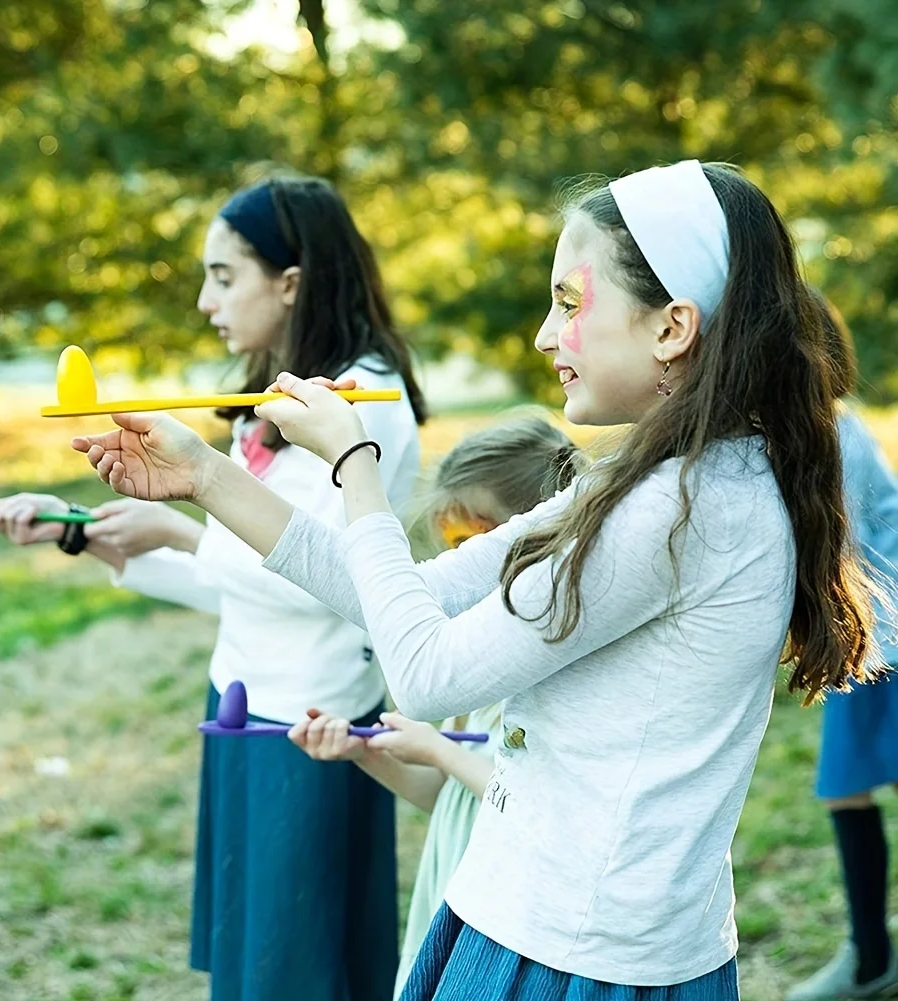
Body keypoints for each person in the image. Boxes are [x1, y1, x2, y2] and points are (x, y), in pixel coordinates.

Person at [71, 160, 879, 1001]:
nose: (544, 333)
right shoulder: (666, 481)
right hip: (545, 916)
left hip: (577, 954)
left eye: (569, 302)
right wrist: (205, 476)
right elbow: (409, 590)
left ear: (671, 326)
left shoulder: (681, 509)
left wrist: (354, 465)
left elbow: (425, 674)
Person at [0, 176, 427, 1001]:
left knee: (297, 976)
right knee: (254, 969)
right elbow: (246, 585)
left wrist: (180, 526)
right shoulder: (280, 396)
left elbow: (323, 580)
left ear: (290, 281)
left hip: (309, 729)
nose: (203, 299)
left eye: (223, 276)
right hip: (243, 705)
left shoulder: (362, 398)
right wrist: (84, 532)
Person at [288, 416, 579, 999]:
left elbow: (531, 796)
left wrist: (440, 751)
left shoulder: (557, 661)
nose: (461, 566)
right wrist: (369, 755)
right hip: (455, 892)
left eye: (471, 544)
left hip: (518, 915)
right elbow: (443, 798)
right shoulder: (469, 663)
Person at [786, 293, 898, 1000]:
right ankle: (869, 951)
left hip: (881, 641)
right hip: (874, 639)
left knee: (847, 789)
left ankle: (868, 957)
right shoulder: (834, 428)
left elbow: (832, 553)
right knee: (848, 788)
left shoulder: (828, 438)